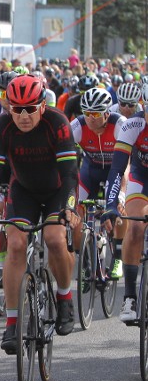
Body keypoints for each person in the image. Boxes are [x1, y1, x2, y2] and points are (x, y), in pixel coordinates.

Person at [0, 75, 79, 353]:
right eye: (16, 108)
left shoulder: (57, 123)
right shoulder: (1, 127)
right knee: (15, 244)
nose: (23, 116)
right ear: (8, 106)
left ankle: (64, 297)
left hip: (57, 191)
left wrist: (69, 206)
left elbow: (70, 173)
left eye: (30, 108)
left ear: (42, 106)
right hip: (23, 191)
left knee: (55, 239)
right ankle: (12, 322)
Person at [103, 82, 148, 323]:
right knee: (136, 226)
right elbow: (117, 170)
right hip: (142, 178)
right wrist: (110, 204)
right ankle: (130, 296)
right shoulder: (133, 124)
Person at [70, 88, 124, 277]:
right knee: (76, 210)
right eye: (86, 112)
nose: (90, 118)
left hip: (114, 171)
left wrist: (120, 196)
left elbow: (124, 166)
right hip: (90, 170)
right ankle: (85, 263)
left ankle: (117, 258)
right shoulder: (77, 125)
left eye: (95, 113)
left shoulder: (119, 124)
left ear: (107, 113)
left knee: (117, 207)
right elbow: (63, 158)